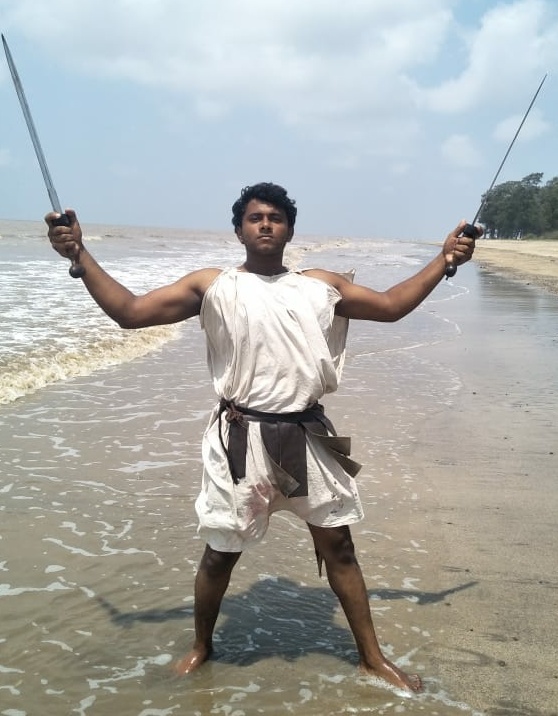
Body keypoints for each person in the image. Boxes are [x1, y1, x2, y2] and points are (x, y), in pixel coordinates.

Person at [46, 182, 478, 694]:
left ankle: (372, 658)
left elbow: (389, 306)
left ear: (290, 230)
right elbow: (130, 312)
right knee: (219, 553)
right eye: (255, 218)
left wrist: (444, 261)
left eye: (275, 217)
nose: (266, 224)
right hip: (240, 437)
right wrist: (80, 256)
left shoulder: (321, 286)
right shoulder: (213, 286)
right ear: (239, 231)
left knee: (339, 547)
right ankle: (201, 647)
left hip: (308, 433)